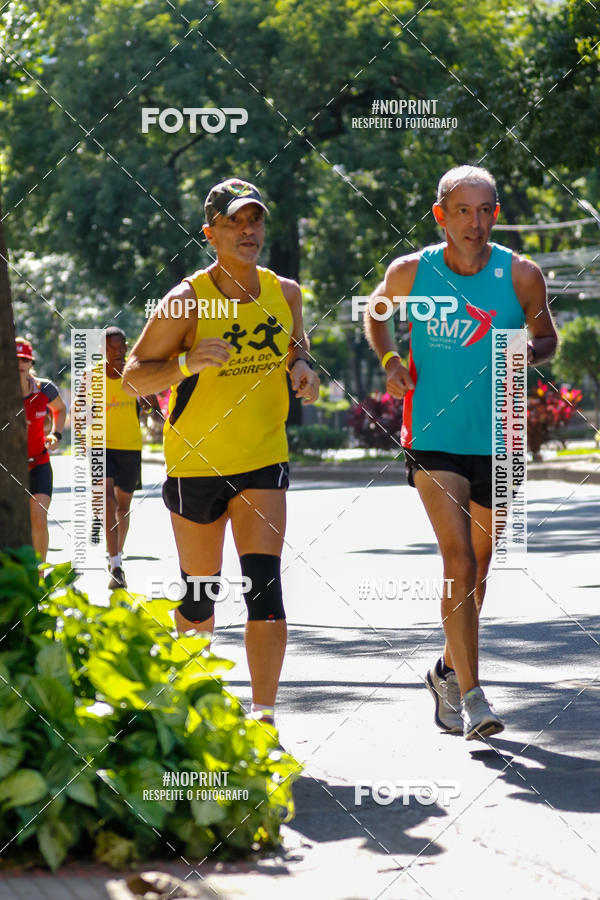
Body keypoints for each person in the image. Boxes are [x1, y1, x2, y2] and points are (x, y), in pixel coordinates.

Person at [364, 165, 557, 740]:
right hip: (433, 438)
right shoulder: (411, 272)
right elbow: (376, 314)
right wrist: (391, 360)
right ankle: (473, 697)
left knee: (479, 571)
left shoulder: (520, 275)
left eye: (485, 210)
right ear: (441, 215)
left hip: (498, 436)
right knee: (459, 561)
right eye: (463, 211)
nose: (474, 222)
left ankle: (447, 670)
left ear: (495, 214)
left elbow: (547, 336)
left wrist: (526, 349)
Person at [122, 177, 320, 725]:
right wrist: (186, 364)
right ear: (210, 233)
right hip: (196, 465)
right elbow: (130, 379)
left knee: (265, 587)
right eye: (234, 222)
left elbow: (296, 350)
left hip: (263, 458)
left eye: (254, 220)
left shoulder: (286, 293)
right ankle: (196, 707)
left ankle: (263, 717)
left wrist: (303, 369)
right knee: (200, 594)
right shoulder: (186, 300)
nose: (248, 230)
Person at [82, 327, 162, 590]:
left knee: (122, 508)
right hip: (101, 446)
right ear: (101, 351)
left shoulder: (134, 374)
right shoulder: (91, 376)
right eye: (112, 347)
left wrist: (149, 403)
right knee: (108, 500)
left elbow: (153, 410)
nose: (119, 352)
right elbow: (82, 412)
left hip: (130, 447)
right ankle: (116, 565)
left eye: (122, 346)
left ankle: (116, 552)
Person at [17, 337, 67, 563]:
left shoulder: (44, 388)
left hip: (39, 463)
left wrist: (55, 434)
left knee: (38, 515)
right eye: (16, 358)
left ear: (31, 363)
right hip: (10, 468)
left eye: (25, 359)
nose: (20, 363)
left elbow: (60, 409)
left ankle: (38, 575)